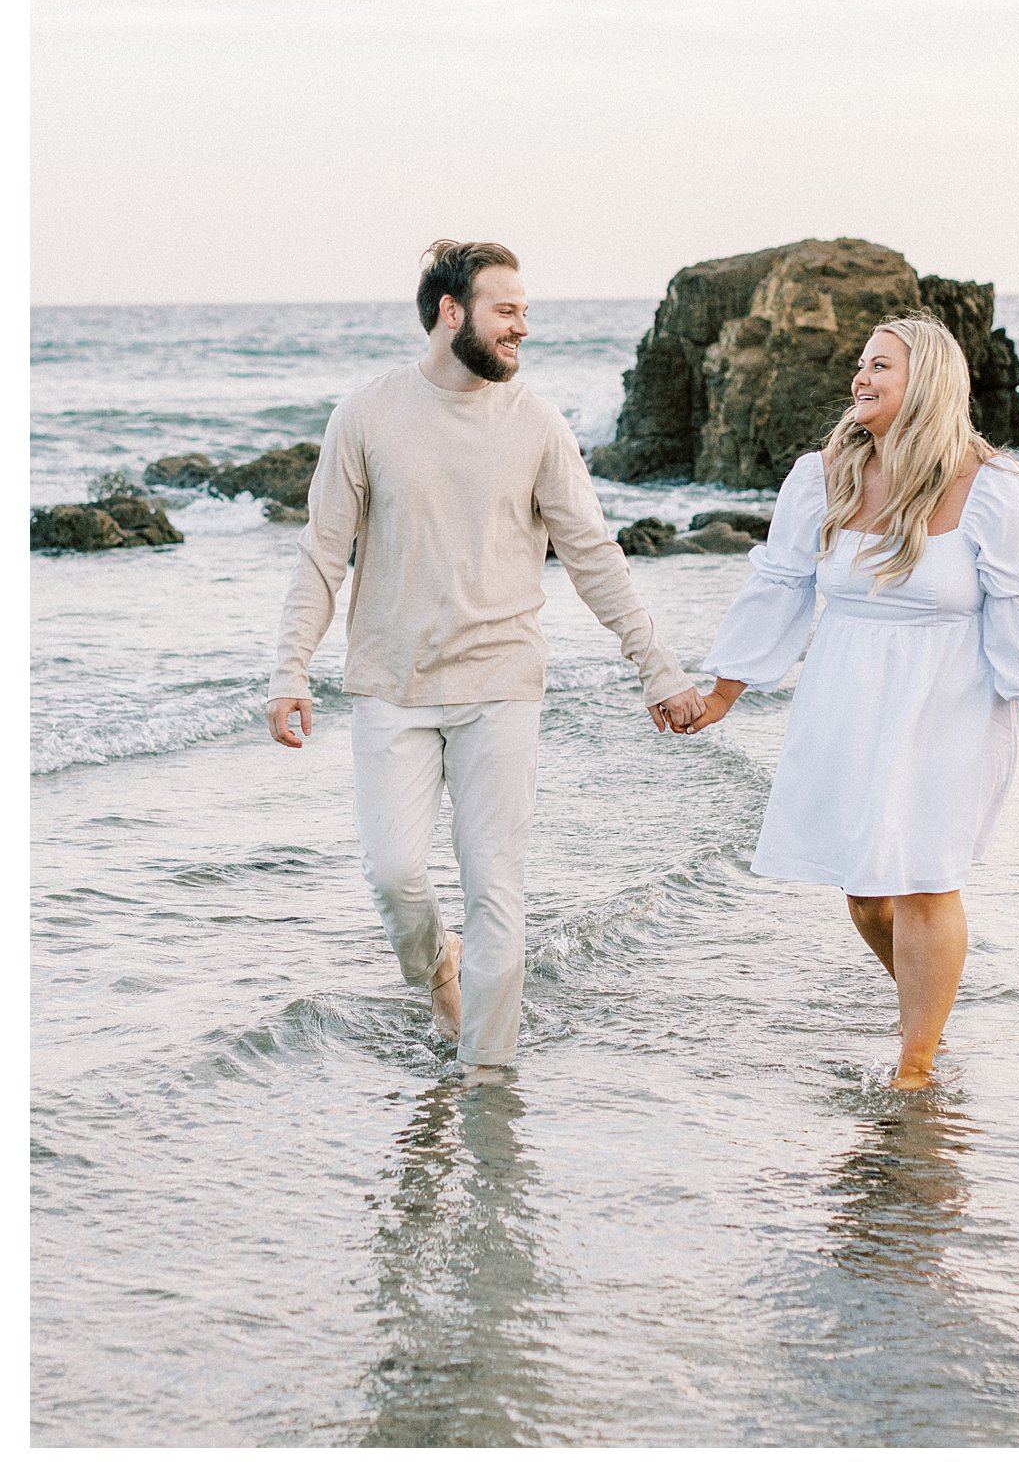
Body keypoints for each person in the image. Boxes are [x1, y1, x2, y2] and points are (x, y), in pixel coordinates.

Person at [266, 240, 704, 1084]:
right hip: (391, 686)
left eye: (525, 312)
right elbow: (322, 556)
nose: (522, 329)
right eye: (508, 311)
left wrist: (659, 667)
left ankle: (487, 1076)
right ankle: (439, 970)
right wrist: (291, 668)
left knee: (496, 888)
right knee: (395, 878)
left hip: (502, 684)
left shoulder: (535, 423)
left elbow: (593, 555)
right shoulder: (366, 415)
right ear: (451, 312)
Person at [689, 313, 1019, 1090]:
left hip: (952, 703)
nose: (860, 379)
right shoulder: (825, 471)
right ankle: (928, 1004)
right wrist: (721, 693)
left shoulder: (992, 487)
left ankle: (917, 1063)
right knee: (867, 893)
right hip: (847, 697)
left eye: (880, 367)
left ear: (927, 383)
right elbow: (780, 587)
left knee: (926, 878)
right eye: (861, 365)